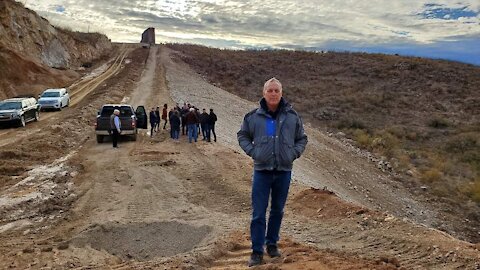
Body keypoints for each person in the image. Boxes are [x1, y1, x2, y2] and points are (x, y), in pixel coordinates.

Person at [237, 78, 307, 267]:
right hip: (262, 171)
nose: (273, 94)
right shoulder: (253, 117)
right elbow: (242, 135)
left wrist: (293, 153)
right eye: (270, 90)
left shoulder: (292, 116)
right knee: (259, 213)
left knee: (277, 211)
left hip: (284, 171)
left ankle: (272, 244)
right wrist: (254, 152)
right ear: (264, 92)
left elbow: (302, 139)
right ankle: (257, 251)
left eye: (276, 90)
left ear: (281, 92)